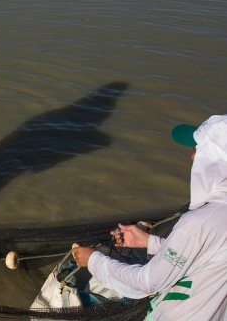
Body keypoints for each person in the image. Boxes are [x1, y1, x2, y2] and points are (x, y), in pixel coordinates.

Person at [72, 115, 227, 320]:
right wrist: (149, 242)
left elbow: (147, 283)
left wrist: (93, 261)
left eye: (197, 148)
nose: (191, 156)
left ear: (214, 159)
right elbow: (208, 257)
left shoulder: (200, 222)